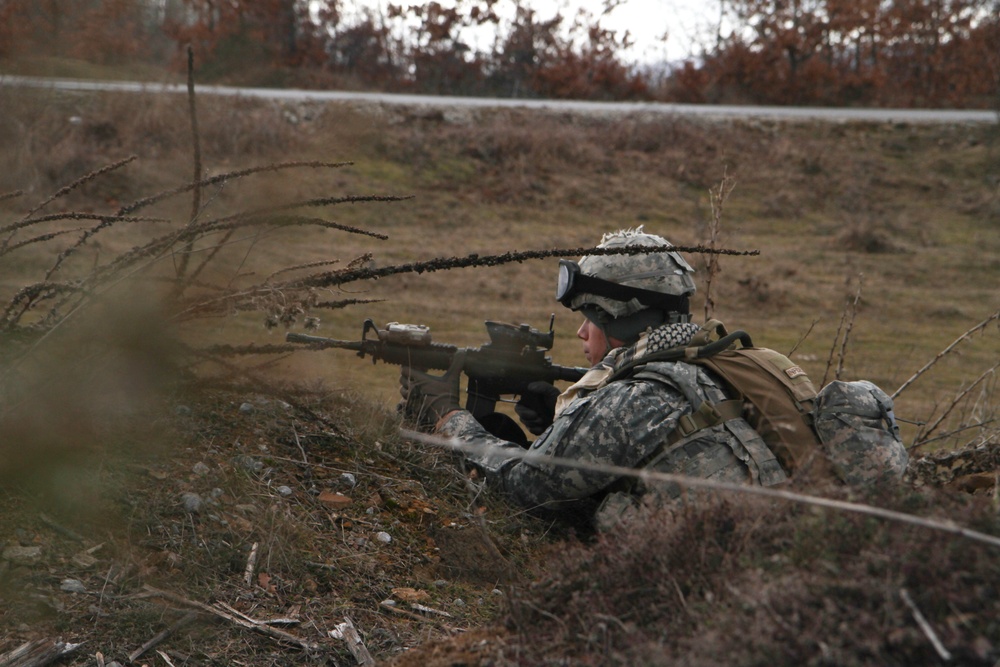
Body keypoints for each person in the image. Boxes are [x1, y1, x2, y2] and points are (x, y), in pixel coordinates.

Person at [399, 228, 789, 531]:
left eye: (592, 317)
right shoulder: (710, 366)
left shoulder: (631, 400)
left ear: (623, 319)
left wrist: (448, 418)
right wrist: (562, 423)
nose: (582, 333)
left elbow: (522, 489)